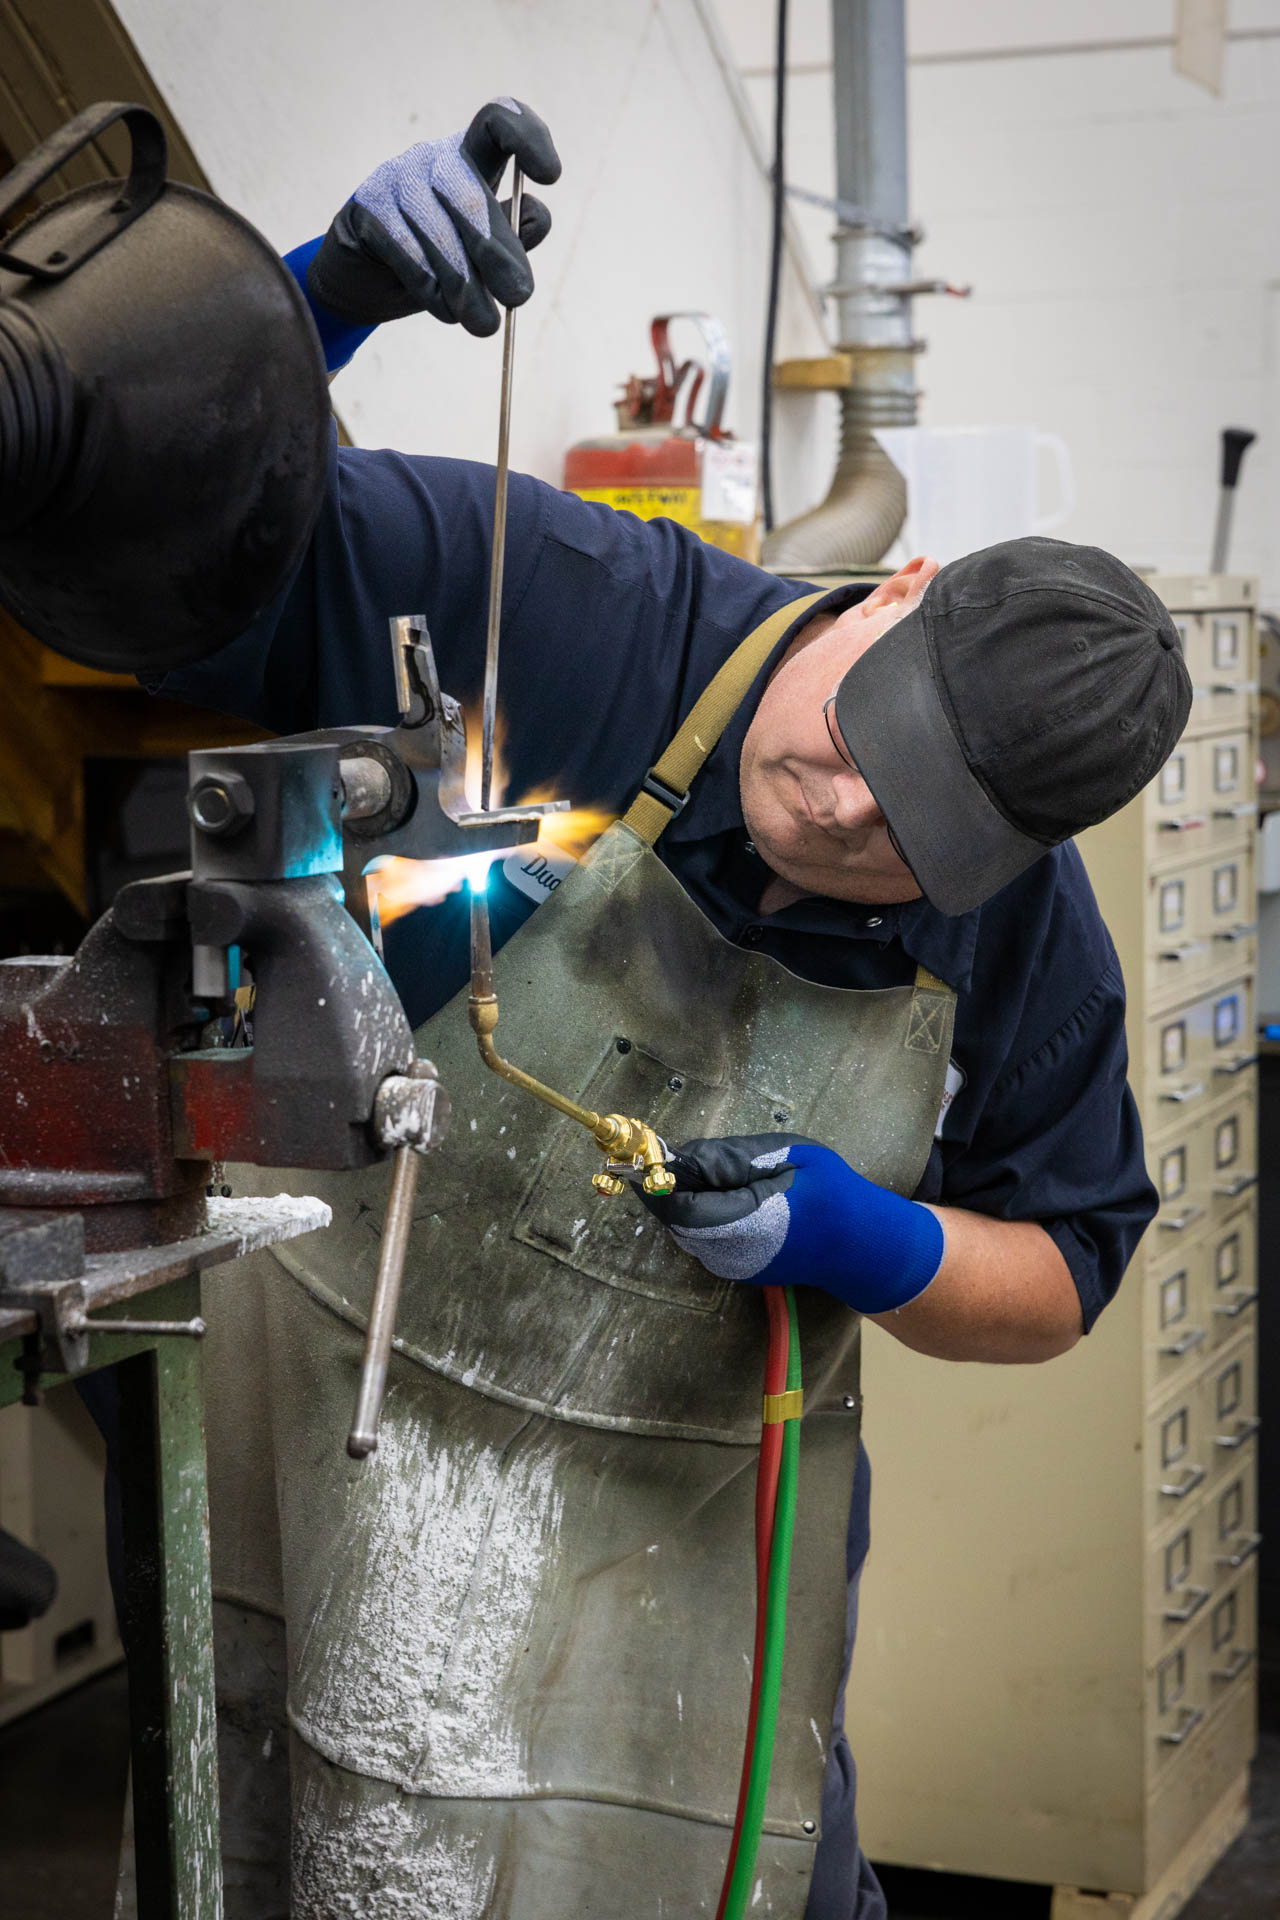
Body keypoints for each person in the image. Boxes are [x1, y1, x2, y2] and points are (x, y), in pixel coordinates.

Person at [152, 99, 1186, 1920]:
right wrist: (318, 300)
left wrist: (863, 1241)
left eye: (921, 834)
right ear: (905, 585)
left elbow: (1066, 1274)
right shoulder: (577, 608)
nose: (855, 811)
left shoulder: (1025, 929)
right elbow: (169, 544)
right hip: (343, 1457)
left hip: (679, 1576)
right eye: (878, 739)